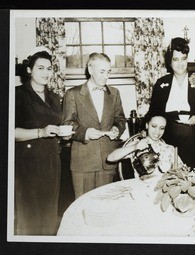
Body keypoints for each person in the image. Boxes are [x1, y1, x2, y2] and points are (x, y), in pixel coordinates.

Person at [148, 37, 195, 176]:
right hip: (170, 142)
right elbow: (154, 113)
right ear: (170, 61)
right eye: (176, 59)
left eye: (183, 58)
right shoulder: (161, 83)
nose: (180, 63)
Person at [62, 53, 126, 199]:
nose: (106, 76)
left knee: (105, 208)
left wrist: (117, 129)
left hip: (107, 161)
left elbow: (120, 119)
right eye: (102, 71)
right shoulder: (73, 94)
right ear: (90, 69)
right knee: (84, 208)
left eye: (108, 72)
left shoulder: (114, 93)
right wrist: (85, 133)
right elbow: (66, 123)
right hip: (83, 163)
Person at [15, 48, 62, 235]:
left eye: (49, 69)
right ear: (29, 70)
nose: (46, 73)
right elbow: (11, 132)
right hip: (28, 163)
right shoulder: (18, 95)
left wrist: (62, 133)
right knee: (30, 216)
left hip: (52, 160)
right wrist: (41, 132)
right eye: (40, 68)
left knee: (49, 214)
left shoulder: (54, 97)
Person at [107, 112, 183, 179]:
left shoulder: (169, 148)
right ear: (147, 125)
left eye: (162, 128)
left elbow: (181, 171)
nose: (157, 131)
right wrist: (135, 147)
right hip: (142, 189)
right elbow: (110, 158)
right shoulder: (138, 144)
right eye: (154, 126)